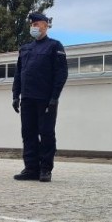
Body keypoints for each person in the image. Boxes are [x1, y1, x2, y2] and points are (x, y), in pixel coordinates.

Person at [12, 13, 68, 182]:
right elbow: (18, 74)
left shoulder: (54, 46)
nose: (33, 27)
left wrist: (54, 97)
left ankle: (45, 169)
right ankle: (31, 168)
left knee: (46, 133)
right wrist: (16, 95)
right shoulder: (25, 49)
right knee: (28, 133)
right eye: (32, 24)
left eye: (36, 24)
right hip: (27, 98)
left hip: (45, 99)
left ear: (45, 25)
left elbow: (61, 74)